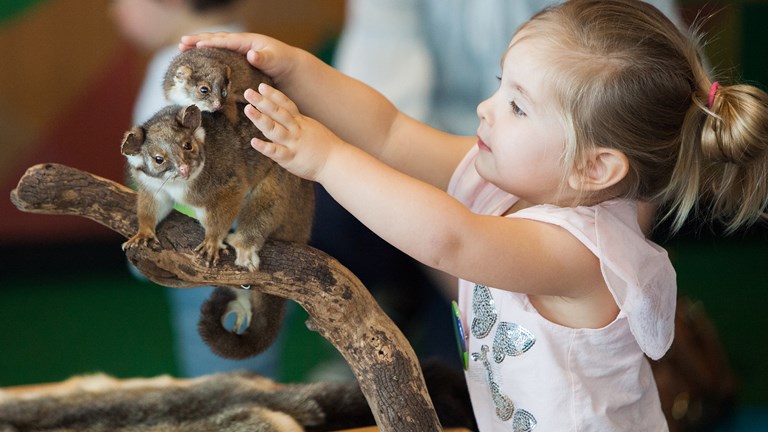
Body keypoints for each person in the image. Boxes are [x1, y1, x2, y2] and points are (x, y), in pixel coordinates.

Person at [181, 0, 768, 429]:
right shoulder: (510, 181)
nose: (487, 109)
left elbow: (449, 242)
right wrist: (298, 70)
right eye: (499, 85)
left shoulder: (581, 251)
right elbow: (389, 131)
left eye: (516, 105)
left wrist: (328, 159)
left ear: (595, 168)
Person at [110, 0, 283, 379]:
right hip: (263, 231)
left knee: (220, 374)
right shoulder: (256, 56)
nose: (114, 11)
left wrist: (151, 239)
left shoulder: (177, 71)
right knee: (248, 359)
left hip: (205, 242)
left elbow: (159, 173)